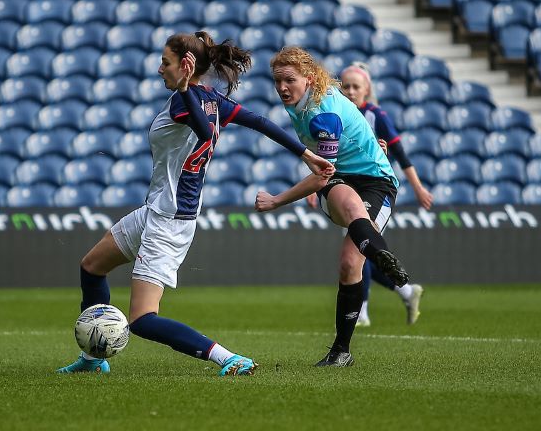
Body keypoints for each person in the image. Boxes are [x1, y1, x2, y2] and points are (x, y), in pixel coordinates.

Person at [57, 32, 334, 376]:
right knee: (92, 265)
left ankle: (229, 358)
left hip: (170, 219)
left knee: (142, 319)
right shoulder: (214, 100)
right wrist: (306, 154)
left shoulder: (183, 100)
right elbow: (261, 124)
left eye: (166, 63)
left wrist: (186, 90)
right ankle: (94, 357)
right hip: (156, 210)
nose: (160, 69)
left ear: (186, 66)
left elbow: (204, 133)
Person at [255, 46, 411, 368]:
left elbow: (321, 174)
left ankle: (341, 351)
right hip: (341, 178)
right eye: (277, 81)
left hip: (375, 182)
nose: (282, 87)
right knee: (348, 204)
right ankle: (377, 250)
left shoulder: (322, 113)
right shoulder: (305, 100)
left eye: (289, 80)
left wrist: (277, 200)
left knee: (348, 263)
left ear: (309, 78)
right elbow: (329, 169)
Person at [336, 62, 433, 327]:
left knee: (359, 244)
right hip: (345, 189)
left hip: (375, 190)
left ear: (367, 89)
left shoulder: (376, 115)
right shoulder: (337, 114)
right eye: (346, 86)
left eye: (356, 87)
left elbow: (400, 155)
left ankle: (362, 311)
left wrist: (418, 187)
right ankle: (406, 291)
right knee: (363, 250)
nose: (351, 91)